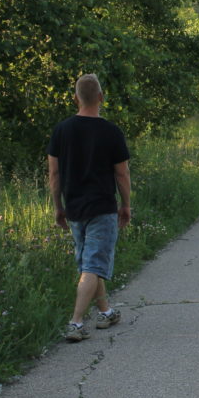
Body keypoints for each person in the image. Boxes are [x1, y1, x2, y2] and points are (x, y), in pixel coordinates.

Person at [48, 74, 132, 343]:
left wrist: (58, 207)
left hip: (74, 208)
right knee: (93, 265)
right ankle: (75, 322)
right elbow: (122, 174)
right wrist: (126, 204)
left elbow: (54, 174)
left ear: (75, 98)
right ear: (101, 97)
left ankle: (105, 312)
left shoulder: (61, 130)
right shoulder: (111, 131)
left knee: (89, 264)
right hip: (102, 207)